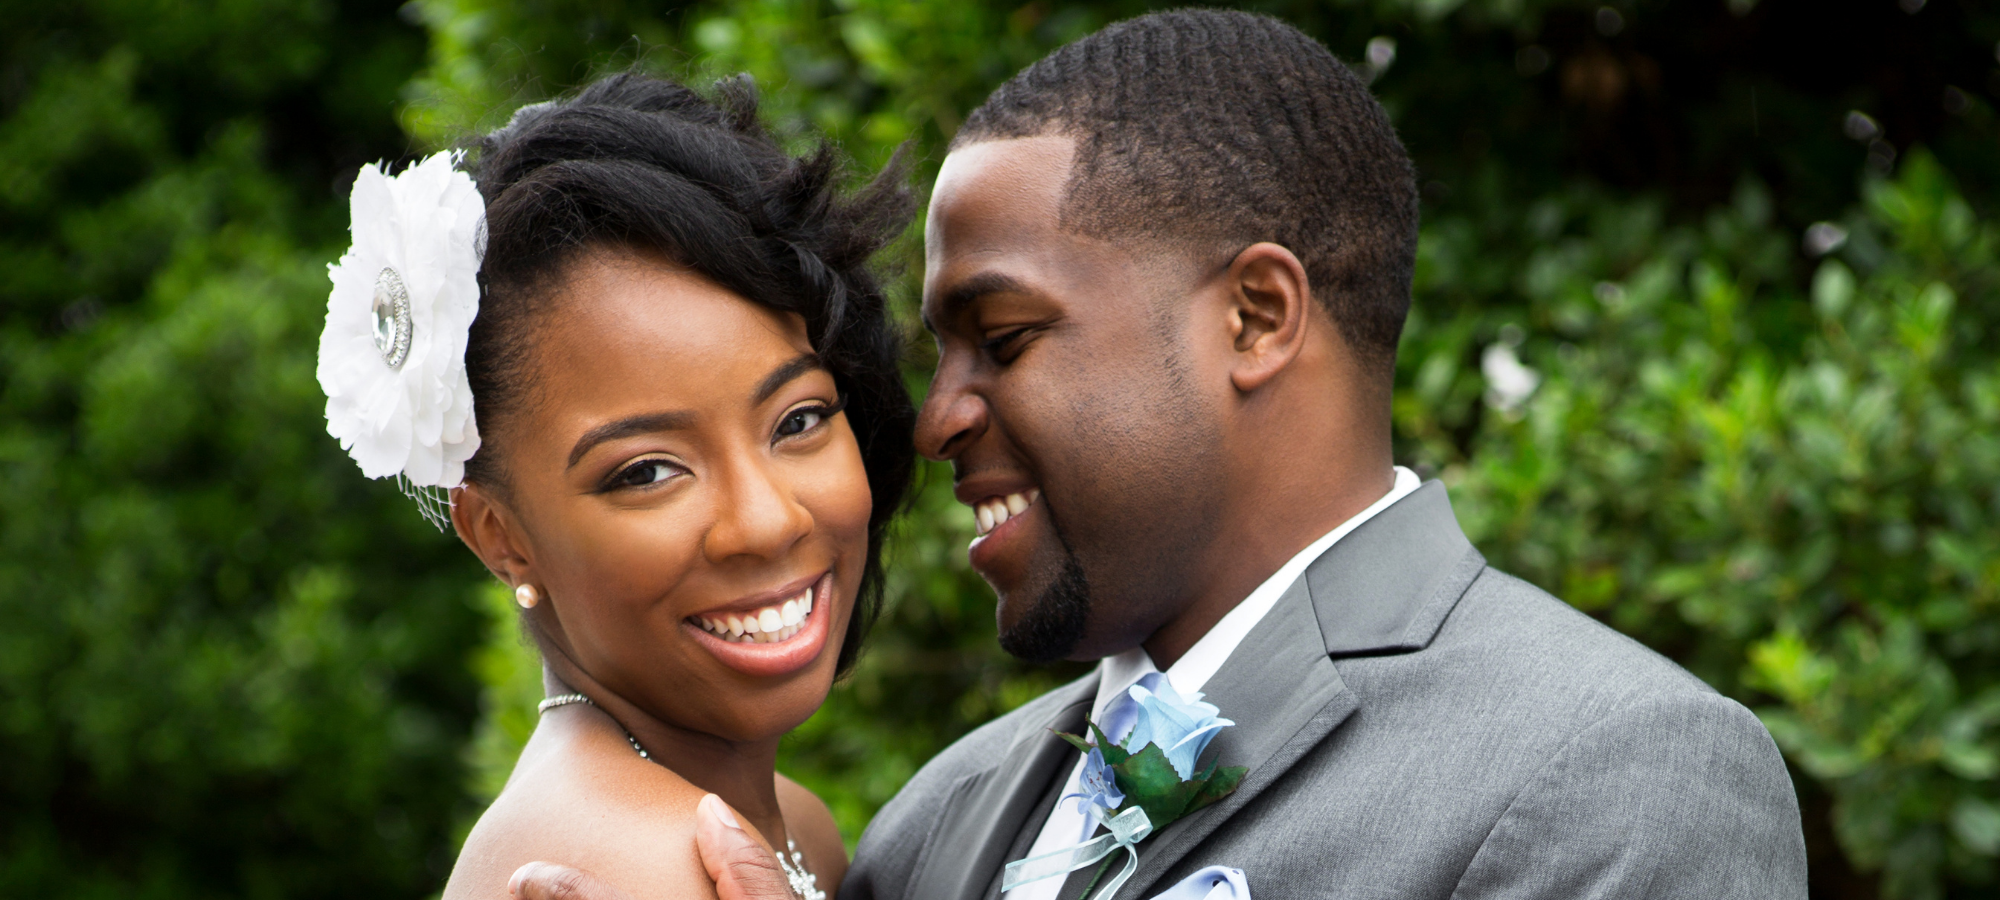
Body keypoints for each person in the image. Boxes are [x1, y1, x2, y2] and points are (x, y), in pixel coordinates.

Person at [514, 9, 1809, 900]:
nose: (934, 417)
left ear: (1255, 317)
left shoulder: (1618, 771)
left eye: (1003, 338)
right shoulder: (934, 827)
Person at [320, 72, 919, 899]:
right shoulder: (650, 867)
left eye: (798, 420)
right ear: (501, 536)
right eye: (646, 471)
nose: (766, 521)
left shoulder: (790, 822)